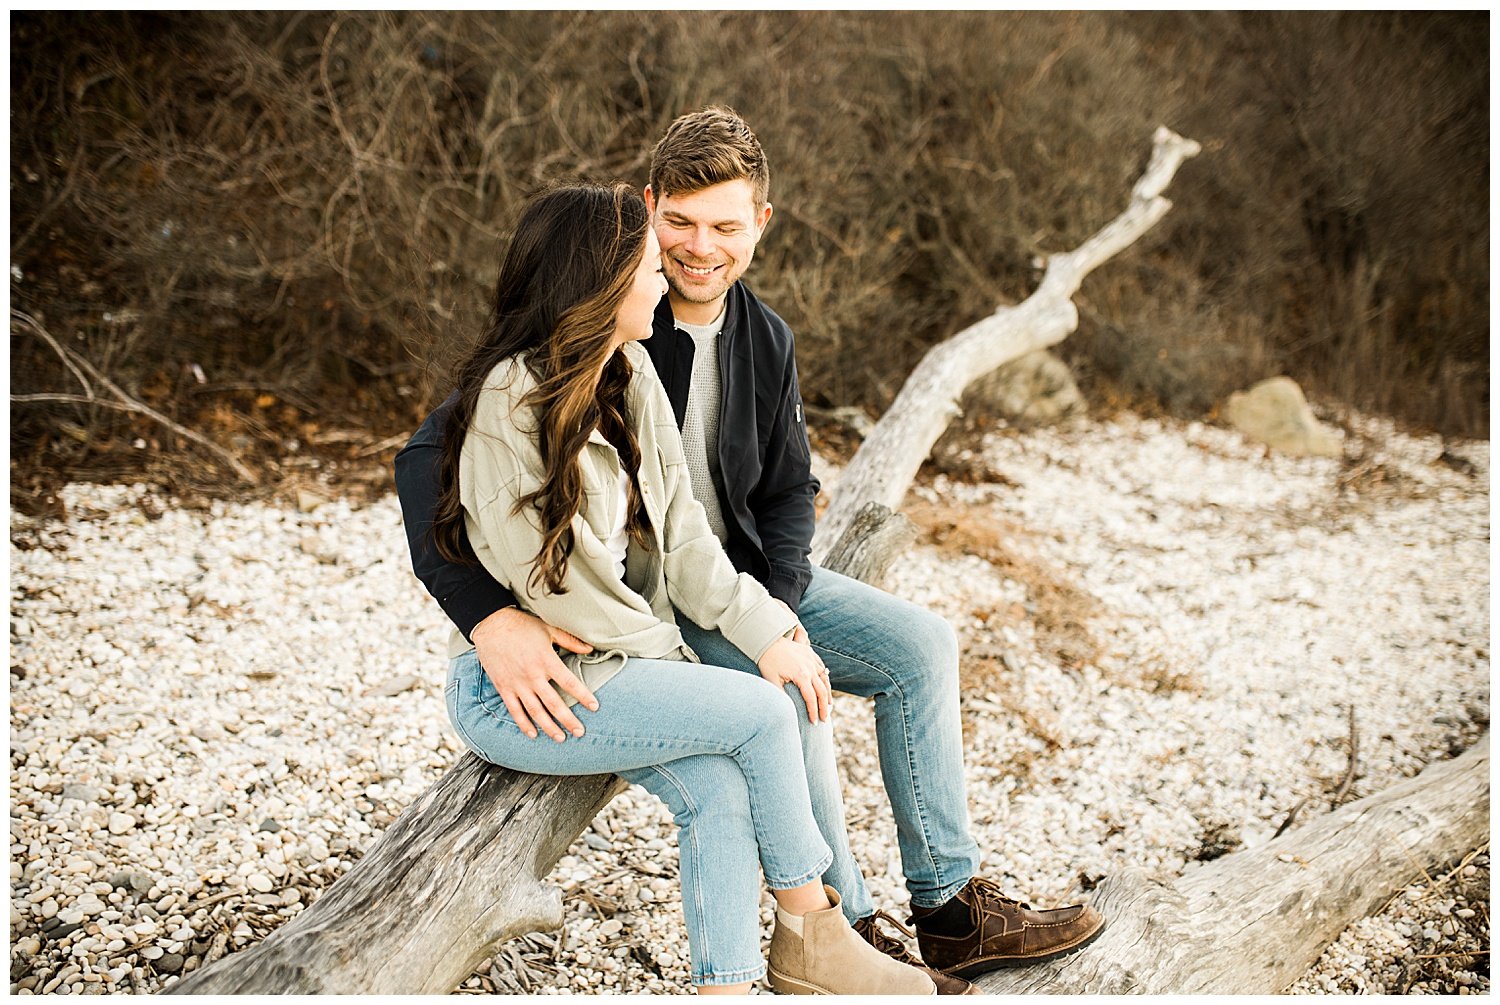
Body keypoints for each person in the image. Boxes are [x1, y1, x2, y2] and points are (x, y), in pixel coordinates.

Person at [397, 107, 1104, 989]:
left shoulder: (762, 340)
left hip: (723, 583)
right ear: (648, 212)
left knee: (920, 643)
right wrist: (486, 614)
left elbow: (784, 492)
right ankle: (842, 925)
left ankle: (952, 907)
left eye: (725, 226)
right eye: (678, 227)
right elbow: (432, 457)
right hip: (627, 613)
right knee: (782, 702)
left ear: (759, 224)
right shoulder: (589, 333)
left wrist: (777, 604)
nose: (696, 250)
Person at [423, 181, 936, 995]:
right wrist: (683, 667)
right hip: (528, 686)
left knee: (724, 784)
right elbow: (556, 593)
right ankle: (815, 931)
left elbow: (688, 535)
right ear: (598, 284)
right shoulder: (507, 403)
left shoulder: (626, 371)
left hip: (612, 667)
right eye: (646, 268)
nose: (663, 278)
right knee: (763, 712)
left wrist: (766, 627)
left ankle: (724, 984)